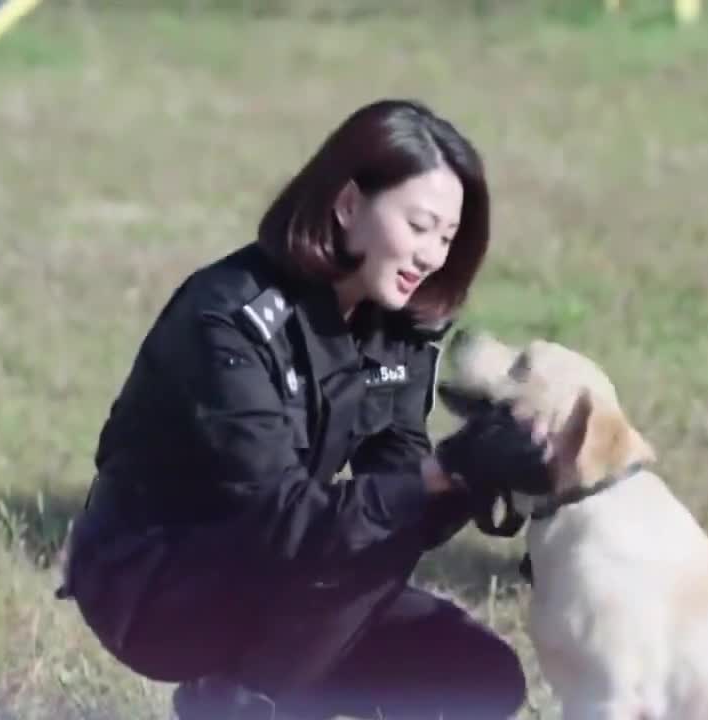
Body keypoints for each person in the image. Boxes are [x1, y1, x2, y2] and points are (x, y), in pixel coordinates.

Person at [56, 98, 550, 719]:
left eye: (447, 238)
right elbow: (283, 518)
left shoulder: (396, 318)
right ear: (347, 206)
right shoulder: (229, 319)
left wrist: (475, 480)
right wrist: (441, 475)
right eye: (420, 226)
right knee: (346, 553)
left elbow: (395, 485)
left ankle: (254, 697)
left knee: (478, 677)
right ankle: (238, 706)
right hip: (154, 583)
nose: (431, 256)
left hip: (285, 567)